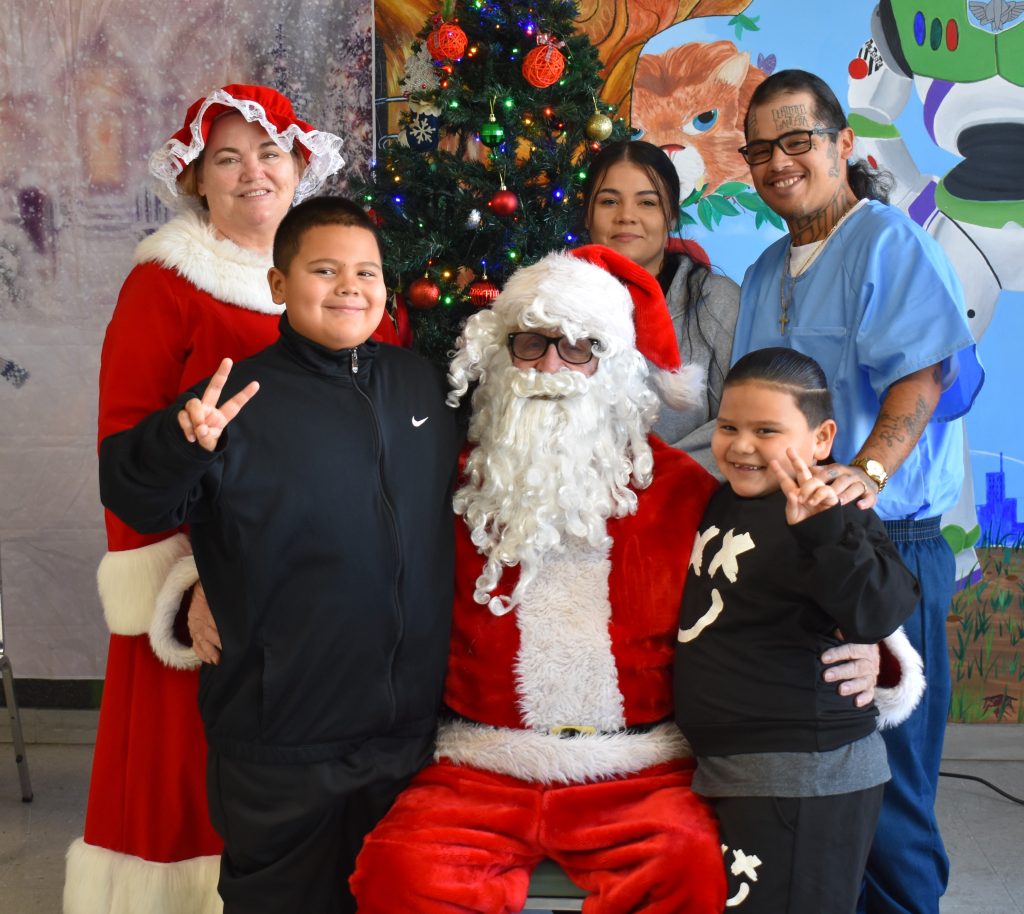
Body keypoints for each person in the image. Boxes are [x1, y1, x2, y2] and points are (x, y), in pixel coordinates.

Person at [65, 85, 402, 914]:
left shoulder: (350, 287)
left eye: (270, 153)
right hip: (201, 594)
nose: (253, 172)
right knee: (189, 786)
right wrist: (182, 595)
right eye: (228, 157)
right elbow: (125, 448)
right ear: (197, 180)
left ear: (301, 168)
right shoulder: (165, 285)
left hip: (314, 592)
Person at [96, 196, 461, 914]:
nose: (350, 287)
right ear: (278, 286)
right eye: (324, 270)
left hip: (405, 737)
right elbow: (134, 494)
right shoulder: (230, 401)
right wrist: (179, 441)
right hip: (281, 740)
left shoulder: (419, 384)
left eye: (367, 272)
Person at [732, 69, 984, 914]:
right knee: (823, 779)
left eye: (797, 142)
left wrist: (867, 471)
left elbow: (925, 373)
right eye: (761, 150)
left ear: (844, 145)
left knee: (890, 788)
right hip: (795, 548)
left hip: (887, 552)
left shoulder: (887, 241)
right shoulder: (768, 267)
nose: (778, 163)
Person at [675, 347, 922, 914]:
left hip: (805, 776)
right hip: (736, 773)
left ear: (821, 438)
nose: (741, 445)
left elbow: (879, 608)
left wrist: (828, 531)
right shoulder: (722, 498)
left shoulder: (834, 509)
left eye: (766, 430)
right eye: (729, 427)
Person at [581, 139, 740, 471]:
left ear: (670, 216)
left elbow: (740, 420)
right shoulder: (556, 303)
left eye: (647, 203)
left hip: (685, 497)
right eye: (609, 201)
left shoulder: (716, 301)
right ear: (587, 216)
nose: (626, 217)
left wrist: (653, 476)